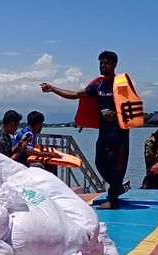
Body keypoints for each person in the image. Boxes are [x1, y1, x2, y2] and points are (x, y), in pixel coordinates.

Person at [40, 50, 130, 209]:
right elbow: (75, 94)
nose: (103, 66)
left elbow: (131, 110)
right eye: (101, 63)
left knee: (117, 166)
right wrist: (53, 88)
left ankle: (113, 198)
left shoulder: (121, 85)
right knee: (100, 163)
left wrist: (115, 116)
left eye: (106, 63)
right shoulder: (98, 86)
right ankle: (117, 187)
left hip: (120, 135)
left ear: (114, 65)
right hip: (104, 134)